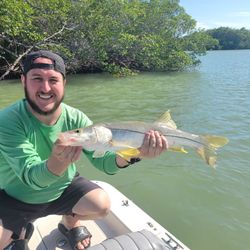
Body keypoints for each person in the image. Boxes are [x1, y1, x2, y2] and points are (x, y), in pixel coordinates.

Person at [0, 50, 168, 250]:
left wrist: (136, 154)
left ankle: (69, 222)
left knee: (102, 205)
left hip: (62, 188)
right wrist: (58, 162)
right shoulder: (7, 121)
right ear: (23, 81)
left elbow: (102, 161)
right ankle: (20, 232)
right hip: (15, 197)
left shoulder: (76, 117)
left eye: (53, 80)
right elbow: (31, 176)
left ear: (64, 84)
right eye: (37, 78)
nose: (45, 87)